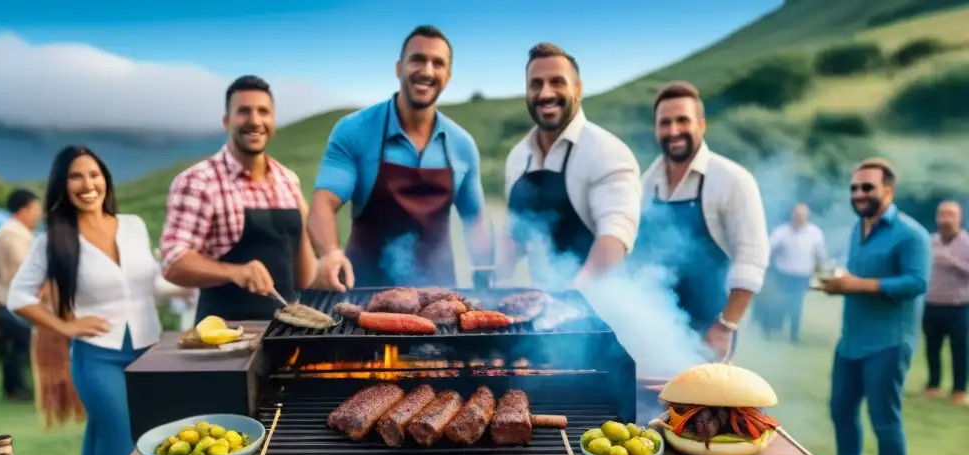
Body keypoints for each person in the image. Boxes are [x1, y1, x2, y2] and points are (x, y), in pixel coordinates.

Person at [7, 146, 165, 455]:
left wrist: (200, 276)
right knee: (118, 429)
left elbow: (151, 281)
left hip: (147, 346)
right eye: (76, 176)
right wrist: (64, 326)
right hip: (96, 354)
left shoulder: (132, 225)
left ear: (105, 179)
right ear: (62, 184)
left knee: (101, 428)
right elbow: (18, 297)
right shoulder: (54, 239)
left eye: (94, 174)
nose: (87, 184)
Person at [308, 25, 493, 290]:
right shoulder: (355, 130)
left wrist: (485, 276)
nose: (427, 71)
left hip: (439, 296)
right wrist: (330, 252)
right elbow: (323, 203)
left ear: (448, 77)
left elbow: (475, 219)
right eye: (417, 59)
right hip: (363, 294)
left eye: (437, 63)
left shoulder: (462, 145)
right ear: (399, 67)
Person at [820, 158, 931, 455]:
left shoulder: (911, 234)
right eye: (854, 188)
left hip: (889, 343)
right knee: (840, 409)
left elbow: (917, 282)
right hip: (850, 340)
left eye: (867, 187)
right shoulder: (858, 228)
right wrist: (838, 282)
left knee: (884, 420)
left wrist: (857, 285)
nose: (859, 193)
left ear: (888, 189)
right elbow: (855, 276)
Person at [160, 75, 317, 320]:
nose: (255, 121)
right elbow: (173, 262)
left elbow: (304, 278)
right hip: (224, 337)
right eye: (244, 111)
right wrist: (235, 272)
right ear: (227, 121)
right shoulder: (199, 181)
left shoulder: (288, 180)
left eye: (263, 111)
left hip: (285, 332)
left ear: (273, 120)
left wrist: (306, 229)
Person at [636, 81, 770, 359]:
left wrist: (725, 327)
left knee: (700, 405)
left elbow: (751, 259)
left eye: (683, 120)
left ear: (702, 124)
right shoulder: (646, 185)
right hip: (652, 331)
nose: (673, 131)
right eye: (665, 123)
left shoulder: (733, 180)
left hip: (708, 333)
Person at [500, 43, 641, 290]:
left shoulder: (606, 152)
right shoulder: (518, 157)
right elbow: (516, 232)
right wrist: (493, 281)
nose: (545, 94)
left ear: (578, 89)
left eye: (557, 82)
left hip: (603, 310)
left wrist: (573, 294)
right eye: (536, 84)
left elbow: (616, 235)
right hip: (544, 309)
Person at [0, 188, 41, 401]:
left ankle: (16, 386)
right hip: (12, 299)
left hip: (11, 298)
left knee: (18, 345)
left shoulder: (13, 231)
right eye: (36, 209)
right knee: (19, 345)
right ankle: (15, 388)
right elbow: (24, 266)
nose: (39, 214)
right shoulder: (12, 234)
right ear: (24, 209)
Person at [922, 200, 969, 405]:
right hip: (932, 303)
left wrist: (952, 262)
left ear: (960, 218)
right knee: (932, 347)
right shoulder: (929, 242)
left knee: (960, 349)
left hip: (959, 306)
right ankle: (933, 385)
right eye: (942, 215)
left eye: (951, 215)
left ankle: (959, 390)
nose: (946, 220)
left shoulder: (967, 243)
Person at [764, 203, 828, 343]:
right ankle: (775, 328)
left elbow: (820, 255)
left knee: (796, 304)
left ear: (807, 217)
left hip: (802, 276)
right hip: (783, 274)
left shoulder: (814, 233)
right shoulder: (781, 231)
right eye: (797, 215)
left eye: (803, 216)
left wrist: (823, 270)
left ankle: (794, 334)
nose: (800, 218)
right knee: (780, 302)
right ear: (792, 215)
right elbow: (769, 249)